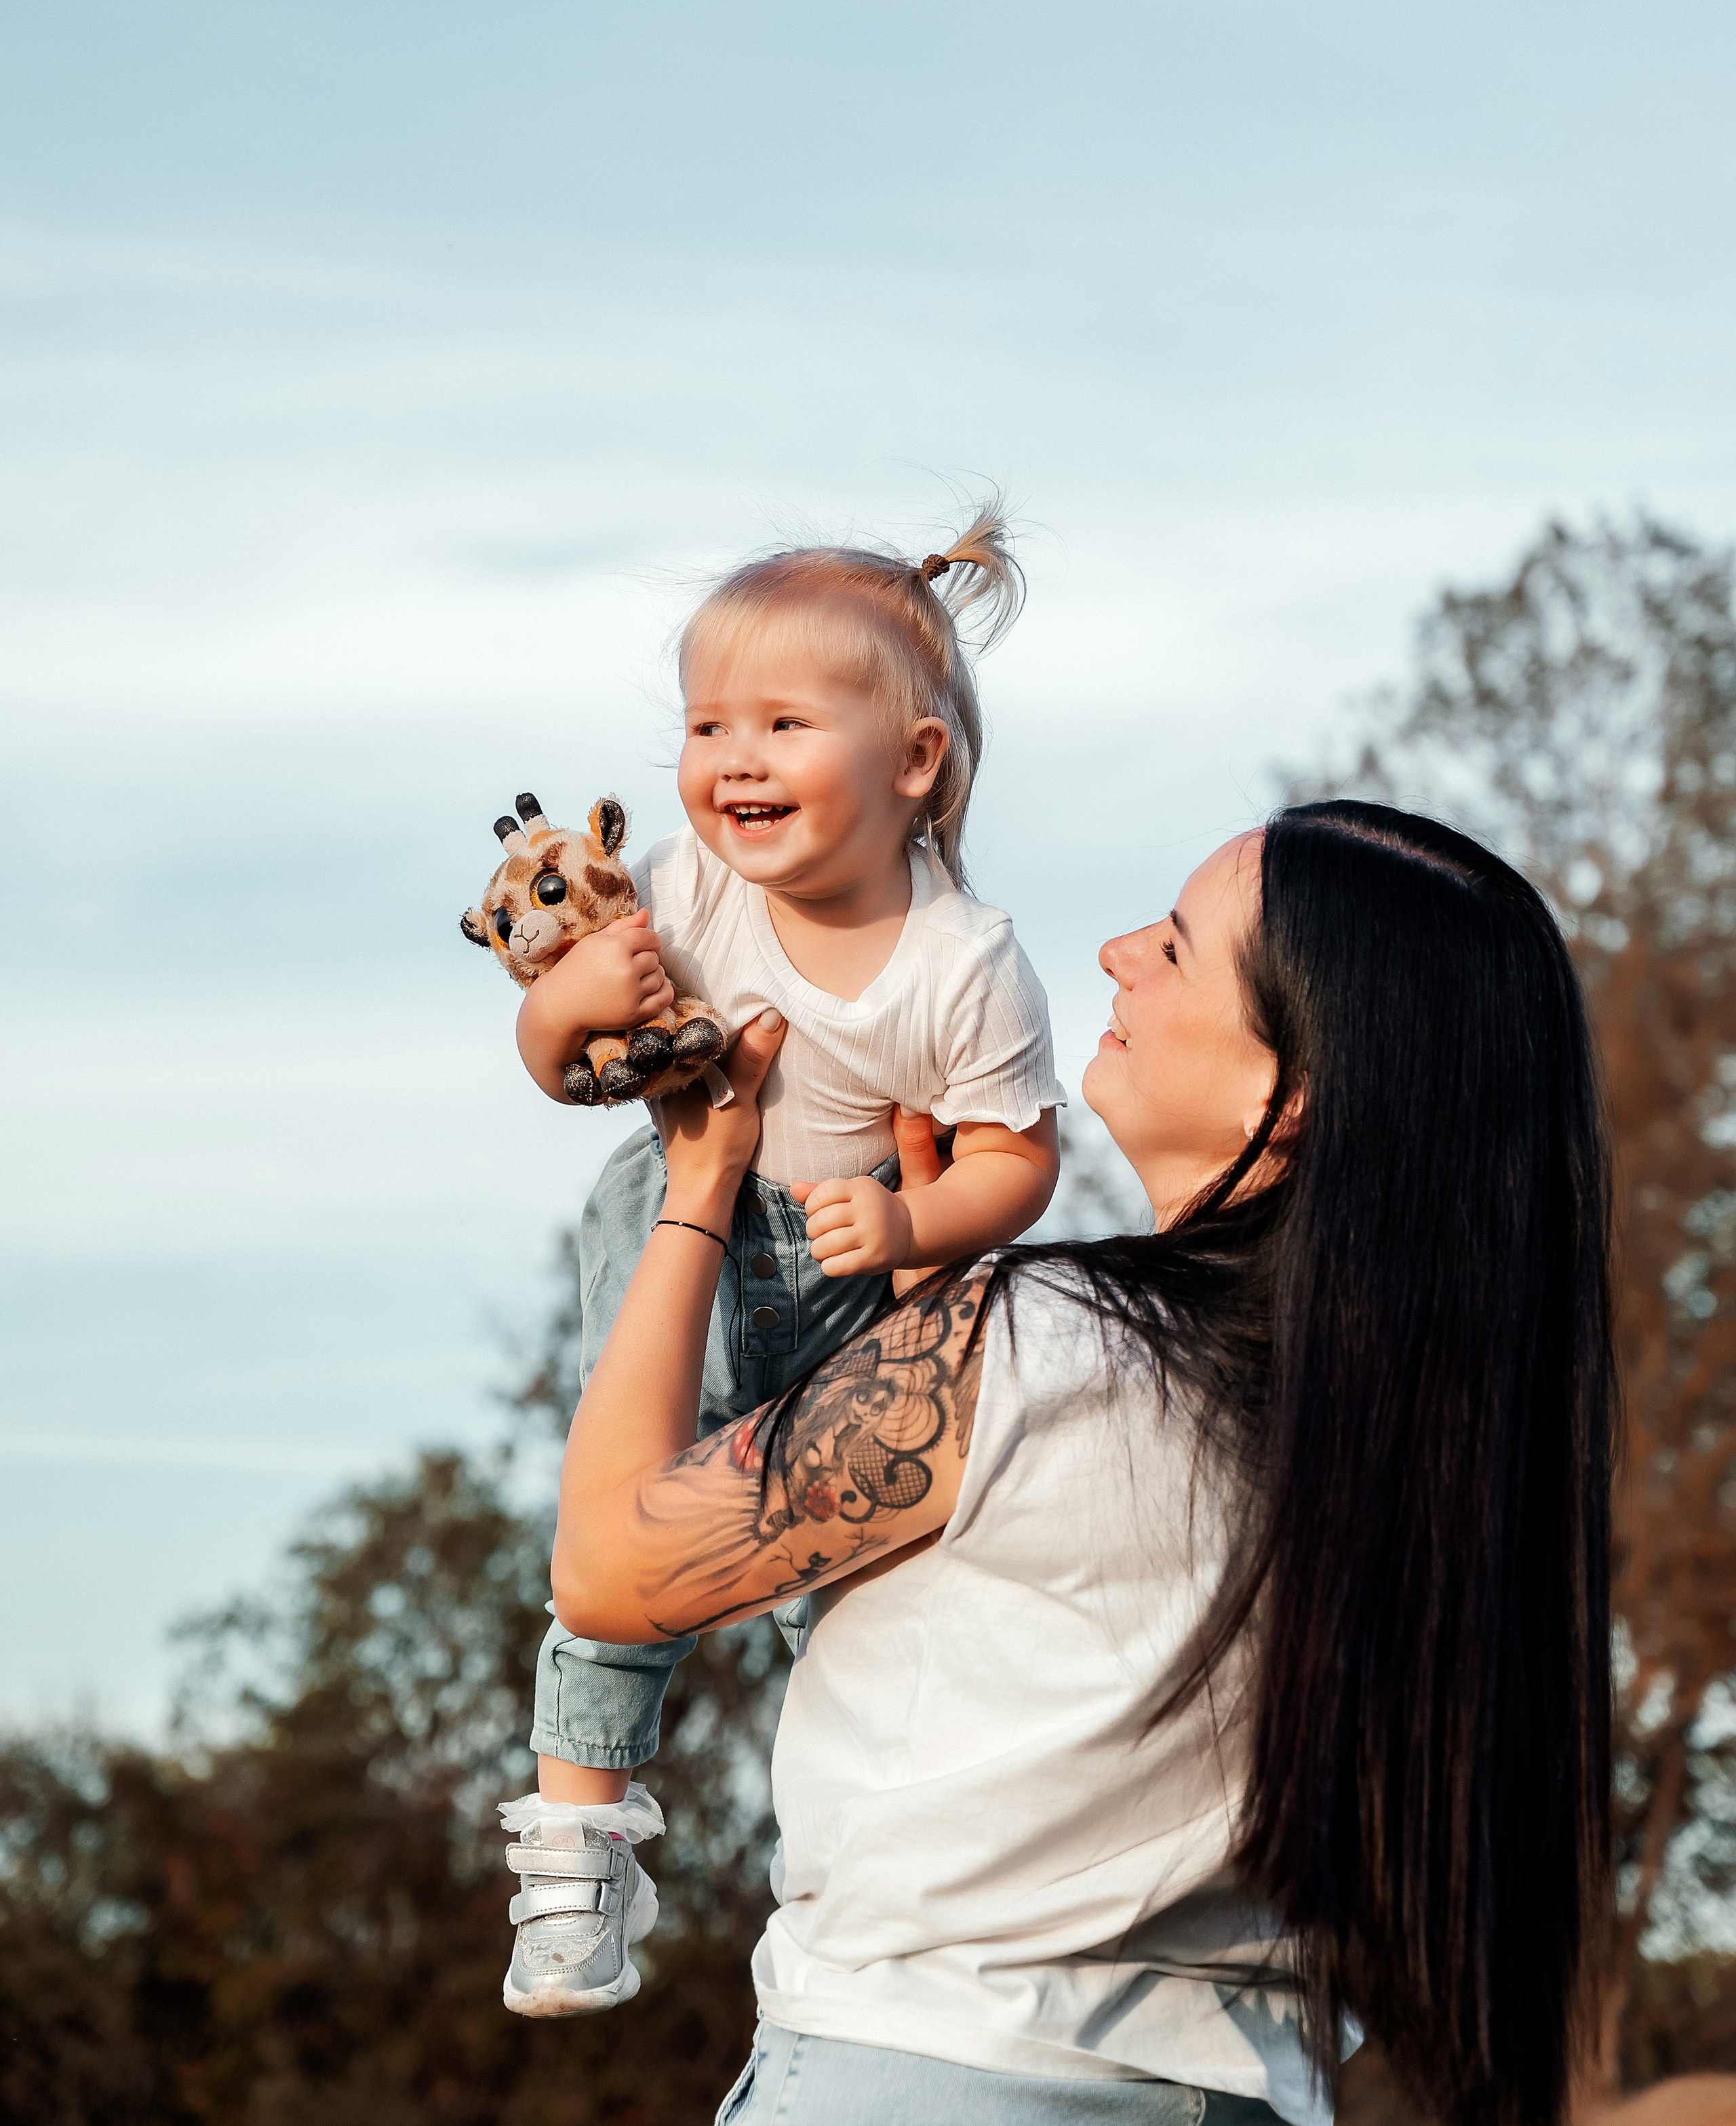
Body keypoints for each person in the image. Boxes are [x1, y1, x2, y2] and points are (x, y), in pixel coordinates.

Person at [550, 803, 1614, 2126]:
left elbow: (607, 1567)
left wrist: (697, 1182)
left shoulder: (1037, 1345)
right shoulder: (1420, 1453)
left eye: (1171, 948)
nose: (1113, 953)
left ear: (1283, 1100)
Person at [495, 503, 1065, 2015]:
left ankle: (877, 1884)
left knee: (859, 1593)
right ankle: (575, 1860)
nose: (729, 758)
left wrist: (913, 1222)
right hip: (672, 1237)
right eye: (703, 723)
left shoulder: (963, 958)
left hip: (849, 1263)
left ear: (914, 762)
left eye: (781, 722)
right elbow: (559, 1063)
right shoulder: (686, 889)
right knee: (620, 1560)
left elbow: (1016, 1157)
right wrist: (570, 1008)